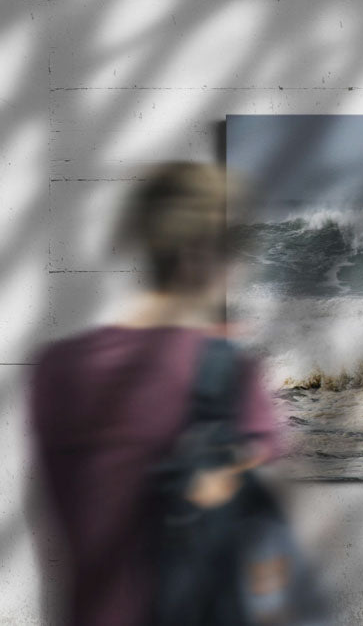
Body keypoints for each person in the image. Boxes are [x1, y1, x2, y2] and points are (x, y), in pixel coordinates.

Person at [29, 162, 280, 626]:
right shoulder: (228, 375)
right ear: (203, 255)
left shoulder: (56, 369)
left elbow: (56, 547)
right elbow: (269, 561)